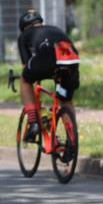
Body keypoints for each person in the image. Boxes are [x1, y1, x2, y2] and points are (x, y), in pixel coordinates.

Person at [17, 9, 80, 142]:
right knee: (65, 99)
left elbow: (26, 66)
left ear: (24, 28)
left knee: (25, 80)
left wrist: (31, 74)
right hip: (71, 60)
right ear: (40, 22)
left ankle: (34, 123)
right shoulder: (54, 28)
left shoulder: (24, 36)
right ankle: (72, 142)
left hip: (49, 56)